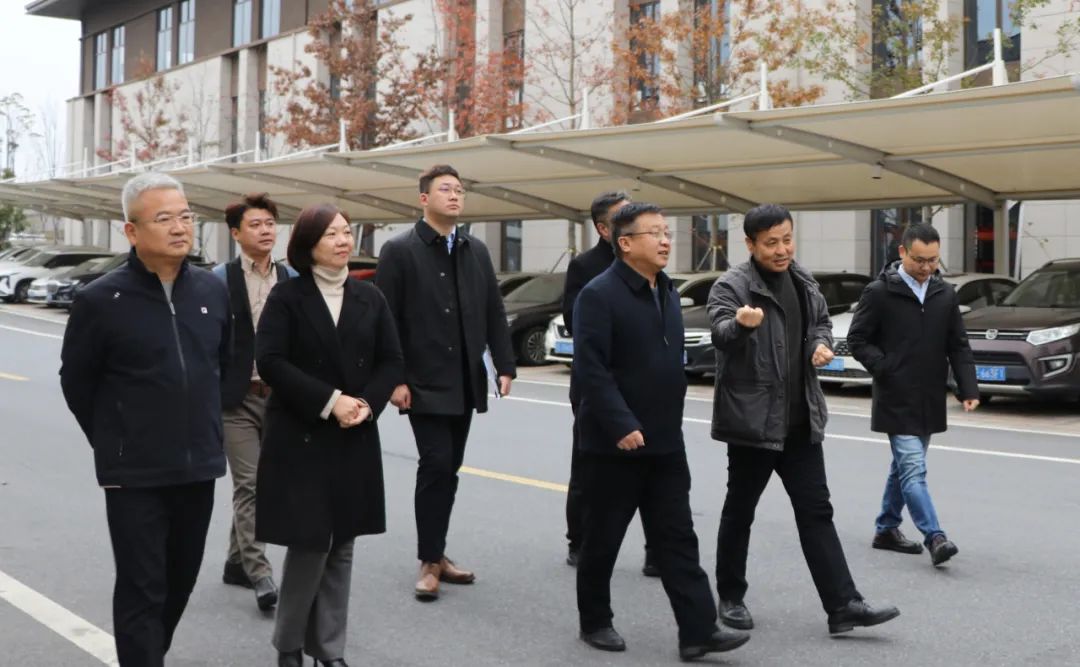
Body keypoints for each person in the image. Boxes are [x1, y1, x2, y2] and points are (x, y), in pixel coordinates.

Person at [60, 172, 231, 666]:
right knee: (142, 585)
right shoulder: (100, 300)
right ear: (132, 231)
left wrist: (208, 429)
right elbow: (78, 383)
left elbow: (225, 365)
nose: (180, 227)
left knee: (179, 580)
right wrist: (116, 440)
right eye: (164, 219)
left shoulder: (212, 291)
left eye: (186, 216)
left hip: (198, 466)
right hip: (134, 473)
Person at [707, 204, 900, 635]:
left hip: (801, 421)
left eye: (787, 239)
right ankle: (731, 597)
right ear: (750, 244)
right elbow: (720, 334)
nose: (782, 250)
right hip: (754, 423)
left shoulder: (803, 280)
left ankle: (843, 605)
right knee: (740, 511)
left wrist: (819, 344)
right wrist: (741, 324)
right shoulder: (731, 286)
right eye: (771, 243)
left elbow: (821, 323)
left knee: (817, 512)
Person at [573, 202, 750, 660]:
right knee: (603, 539)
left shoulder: (668, 290)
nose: (666, 240)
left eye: (666, 232)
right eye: (654, 233)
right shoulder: (598, 294)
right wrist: (621, 423)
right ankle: (595, 620)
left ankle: (698, 631)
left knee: (677, 538)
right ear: (624, 242)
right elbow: (591, 369)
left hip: (666, 440)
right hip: (615, 444)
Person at [255, 204, 403, 667]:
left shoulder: (370, 297)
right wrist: (330, 401)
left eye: (347, 232)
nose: (343, 241)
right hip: (302, 434)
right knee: (311, 542)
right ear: (308, 245)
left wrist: (365, 405)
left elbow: (391, 361)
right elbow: (271, 362)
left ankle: (329, 649)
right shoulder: (287, 297)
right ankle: (289, 645)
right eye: (332, 234)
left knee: (342, 544)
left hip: (353, 434)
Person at [374, 164, 516, 601]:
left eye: (459, 190)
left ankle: (437, 552)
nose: (455, 196)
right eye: (445, 190)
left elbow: (493, 309)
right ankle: (429, 561)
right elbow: (385, 319)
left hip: (465, 380)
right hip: (422, 381)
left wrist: (505, 364)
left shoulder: (475, 249)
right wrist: (394, 379)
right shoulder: (399, 250)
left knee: (450, 468)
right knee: (435, 464)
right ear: (424, 199)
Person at [847, 222, 977, 566]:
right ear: (902, 252)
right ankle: (935, 536)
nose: (926, 267)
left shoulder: (944, 294)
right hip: (895, 396)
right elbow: (858, 340)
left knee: (903, 469)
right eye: (920, 259)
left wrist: (967, 387)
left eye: (933, 260)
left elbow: (958, 344)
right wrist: (886, 367)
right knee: (914, 470)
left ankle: (886, 528)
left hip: (930, 397)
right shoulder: (879, 292)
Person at [562, 191, 654, 575]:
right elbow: (576, 324)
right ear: (604, 229)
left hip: (643, 385)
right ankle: (579, 540)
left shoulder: (647, 264)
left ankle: (657, 548)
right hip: (597, 385)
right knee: (590, 467)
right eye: (623, 216)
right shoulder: (586, 267)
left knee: (653, 468)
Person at [212, 193, 296, 611]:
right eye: (255, 225)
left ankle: (235, 562)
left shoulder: (291, 277)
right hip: (236, 399)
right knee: (251, 484)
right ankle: (260, 573)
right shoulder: (217, 279)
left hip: (279, 399)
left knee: (264, 483)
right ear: (235, 234)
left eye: (269, 223)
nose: (265, 231)